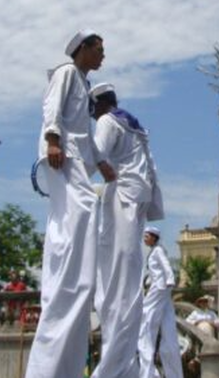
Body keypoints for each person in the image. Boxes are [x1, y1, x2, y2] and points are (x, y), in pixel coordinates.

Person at [26, 30, 116, 378]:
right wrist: (52, 140)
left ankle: (71, 258)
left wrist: (102, 162)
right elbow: (52, 109)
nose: (103, 55)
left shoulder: (83, 82)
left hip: (78, 155)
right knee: (81, 209)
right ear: (83, 49)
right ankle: (66, 254)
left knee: (81, 212)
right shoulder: (65, 73)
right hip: (61, 154)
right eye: (99, 49)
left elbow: (86, 133)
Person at [90, 83, 165, 378]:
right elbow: (151, 168)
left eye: (92, 108)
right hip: (139, 194)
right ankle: (122, 360)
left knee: (117, 269)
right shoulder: (135, 126)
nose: (92, 114)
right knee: (126, 267)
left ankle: (114, 364)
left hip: (123, 193)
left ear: (99, 104)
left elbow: (96, 152)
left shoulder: (108, 121)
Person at [137, 226, 182, 378]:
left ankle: (148, 371)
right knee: (167, 322)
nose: (144, 239)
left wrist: (170, 280)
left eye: (147, 236)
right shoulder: (154, 251)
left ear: (153, 237)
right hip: (159, 286)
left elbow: (166, 266)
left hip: (160, 287)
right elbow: (154, 272)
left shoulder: (157, 251)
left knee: (146, 318)